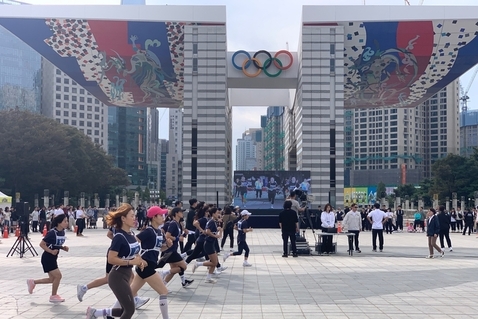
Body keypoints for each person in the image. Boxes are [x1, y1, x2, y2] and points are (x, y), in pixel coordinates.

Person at [86, 203, 146, 319]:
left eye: (135, 216)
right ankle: (95, 313)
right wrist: (130, 262)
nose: (135, 219)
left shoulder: (131, 234)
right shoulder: (119, 237)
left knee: (125, 309)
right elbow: (111, 258)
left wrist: (140, 261)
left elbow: (135, 251)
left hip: (126, 275)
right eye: (132, 216)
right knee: (130, 310)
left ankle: (95, 313)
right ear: (123, 218)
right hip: (117, 276)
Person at [129, 206, 171, 319]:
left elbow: (158, 248)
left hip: (149, 264)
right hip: (145, 265)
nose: (163, 217)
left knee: (130, 292)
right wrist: (138, 258)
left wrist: (167, 246)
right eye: (161, 215)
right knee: (164, 291)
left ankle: (102, 313)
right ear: (154, 217)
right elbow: (133, 242)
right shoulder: (148, 231)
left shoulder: (159, 232)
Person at [27, 213, 69, 303]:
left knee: (52, 279)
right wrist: (51, 251)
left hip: (54, 258)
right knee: (58, 276)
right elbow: (42, 244)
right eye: (65, 221)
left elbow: (55, 244)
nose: (67, 223)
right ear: (59, 223)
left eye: (67, 221)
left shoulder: (62, 232)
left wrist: (63, 248)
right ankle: (53, 296)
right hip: (47, 258)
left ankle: (33, 282)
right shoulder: (52, 232)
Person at [159, 207, 194, 288]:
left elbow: (178, 236)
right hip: (170, 250)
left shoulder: (177, 224)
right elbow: (168, 235)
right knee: (183, 267)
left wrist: (184, 234)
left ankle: (163, 286)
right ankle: (163, 273)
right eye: (181, 212)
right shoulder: (173, 223)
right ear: (176, 213)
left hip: (173, 249)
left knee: (174, 270)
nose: (182, 213)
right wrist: (178, 238)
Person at [191, 207, 223, 283]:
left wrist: (219, 231)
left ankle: (208, 278)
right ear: (213, 214)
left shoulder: (213, 221)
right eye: (217, 213)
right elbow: (208, 232)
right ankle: (198, 264)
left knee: (214, 262)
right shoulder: (211, 221)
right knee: (214, 262)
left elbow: (212, 232)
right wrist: (215, 236)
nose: (218, 214)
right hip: (208, 243)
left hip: (210, 243)